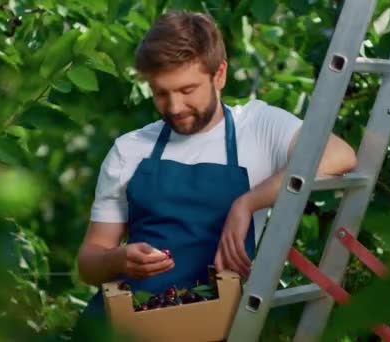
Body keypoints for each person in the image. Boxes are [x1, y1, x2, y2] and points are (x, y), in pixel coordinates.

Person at [74, 10, 357, 329]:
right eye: (161, 93)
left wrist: (246, 203)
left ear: (219, 75)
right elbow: (89, 262)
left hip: (208, 325)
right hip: (120, 327)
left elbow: (339, 155)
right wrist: (119, 259)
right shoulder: (130, 149)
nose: (175, 107)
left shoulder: (259, 127)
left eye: (187, 90)